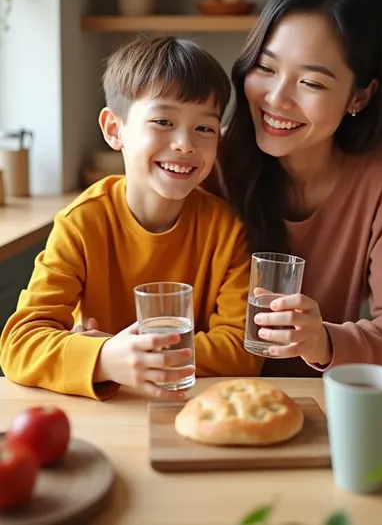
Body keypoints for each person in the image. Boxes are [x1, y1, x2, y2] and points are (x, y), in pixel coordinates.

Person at [206, 0, 382, 379]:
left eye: (311, 83)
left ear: (360, 96)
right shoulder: (208, 157)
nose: (276, 98)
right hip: (208, 399)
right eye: (265, 67)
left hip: (323, 411)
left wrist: (324, 340)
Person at [0, 36, 261, 400]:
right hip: (107, 411)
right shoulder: (81, 223)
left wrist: (133, 355)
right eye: (163, 120)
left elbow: (243, 350)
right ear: (114, 129)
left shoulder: (227, 230)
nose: (185, 143)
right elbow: (19, 343)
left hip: (190, 403)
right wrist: (106, 358)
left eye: (205, 128)